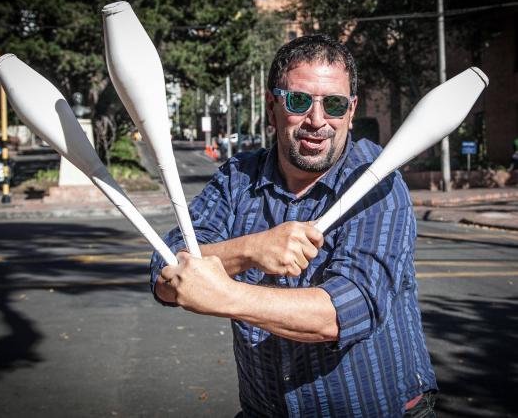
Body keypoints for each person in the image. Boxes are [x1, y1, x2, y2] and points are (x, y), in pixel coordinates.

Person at [150, 34, 437, 417]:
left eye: (334, 104)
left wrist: (225, 294)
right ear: (272, 107)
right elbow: (165, 272)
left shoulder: (379, 184)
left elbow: (346, 311)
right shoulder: (237, 178)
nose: (317, 121)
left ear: (351, 111)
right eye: (299, 101)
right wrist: (249, 250)